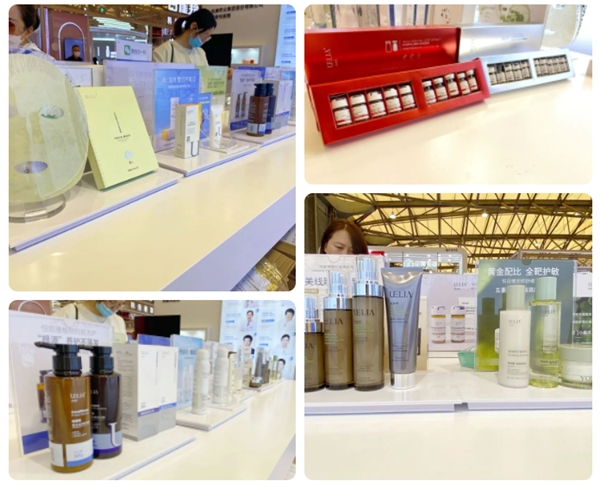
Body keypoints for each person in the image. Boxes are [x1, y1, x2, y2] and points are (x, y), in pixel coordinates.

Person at [53, 301, 128, 343]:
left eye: (120, 304)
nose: (115, 308)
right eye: (112, 302)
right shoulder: (69, 313)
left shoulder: (119, 322)